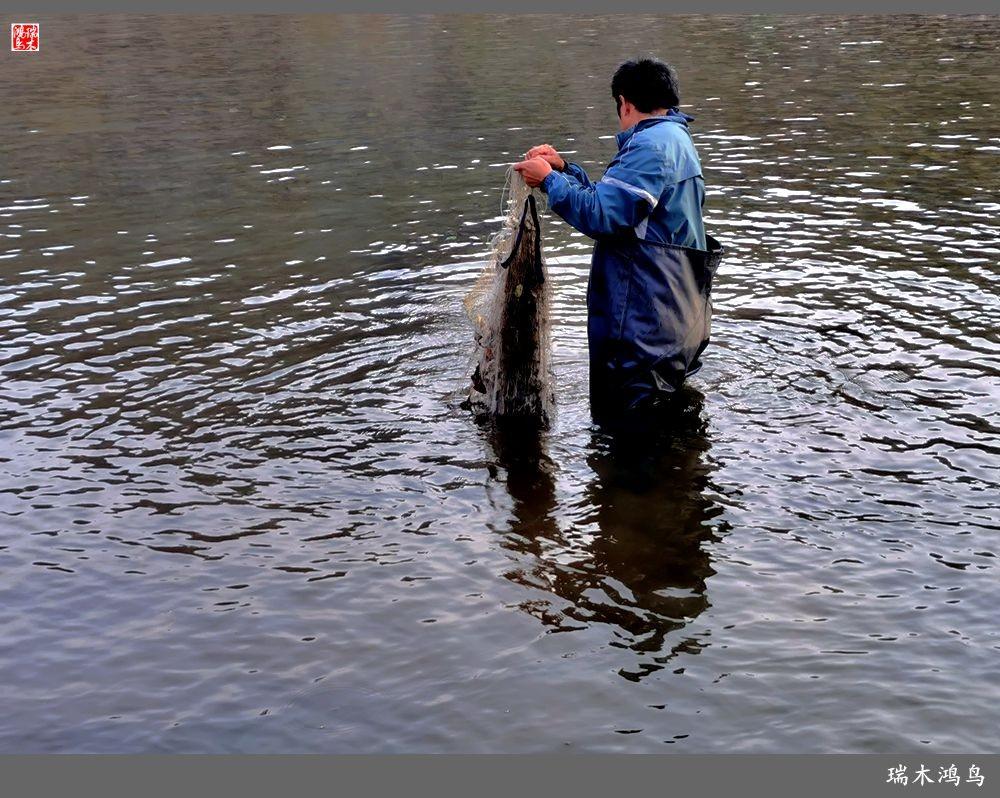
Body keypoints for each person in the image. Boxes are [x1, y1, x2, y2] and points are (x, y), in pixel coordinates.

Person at [514, 58, 723, 419]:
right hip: (674, 316)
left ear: (624, 102)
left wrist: (549, 180)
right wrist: (564, 170)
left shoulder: (651, 146)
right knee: (664, 429)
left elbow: (603, 217)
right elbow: (622, 208)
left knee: (629, 435)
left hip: (644, 329)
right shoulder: (673, 137)